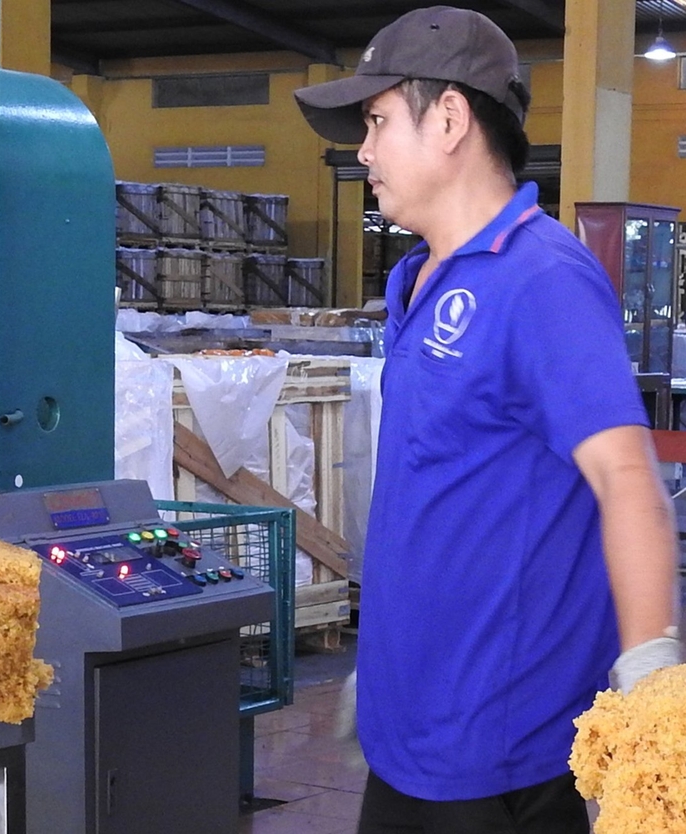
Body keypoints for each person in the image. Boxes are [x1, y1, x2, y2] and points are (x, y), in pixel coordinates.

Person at [293, 6, 681, 833]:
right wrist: (388, 671)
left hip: (496, 744)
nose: (362, 150)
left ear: (449, 119)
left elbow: (627, 480)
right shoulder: (421, 278)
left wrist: (652, 674)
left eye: (377, 121)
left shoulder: (540, 280)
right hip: (412, 724)